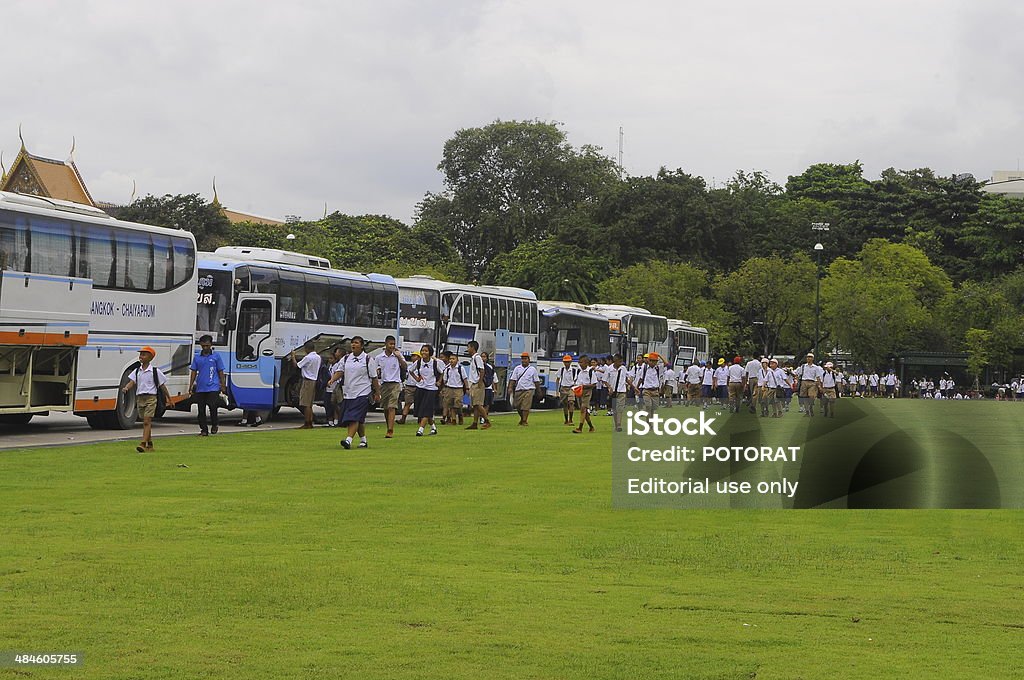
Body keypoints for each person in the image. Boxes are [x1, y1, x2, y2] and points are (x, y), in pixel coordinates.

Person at [333, 336, 380, 449]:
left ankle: (348, 440)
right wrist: (332, 379)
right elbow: (340, 371)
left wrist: (377, 393)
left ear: (362, 346)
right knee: (358, 418)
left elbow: (374, 378)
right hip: (349, 393)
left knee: (353, 417)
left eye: (356, 343)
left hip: (363, 392)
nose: (353, 345)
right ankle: (363, 440)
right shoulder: (346, 358)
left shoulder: (368, 359)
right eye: (352, 343)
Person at [122, 346, 172, 453]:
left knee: (146, 421)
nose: (141, 357)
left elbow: (162, 386)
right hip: (140, 398)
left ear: (150, 358)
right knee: (145, 421)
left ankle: (143, 443)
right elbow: (132, 382)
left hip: (151, 398)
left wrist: (169, 398)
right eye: (141, 354)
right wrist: (126, 387)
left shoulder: (155, 371)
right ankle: (150, 444)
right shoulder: (137, 371)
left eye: (144, 354)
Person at [188, 334, 226, 436]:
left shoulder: (216, 356)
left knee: (213, 406)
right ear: (200, 345)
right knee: (201, 409)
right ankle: (204, 429)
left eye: (207, 346)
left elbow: (220, 371)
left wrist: (223, 385)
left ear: (211, 345)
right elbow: (193, 372)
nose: (205, 348)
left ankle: (214, 424)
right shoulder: (197, 357)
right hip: (201, 386)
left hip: (213, 385)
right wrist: (191, 385)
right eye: (203, 346)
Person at [376, 335, 407, 438]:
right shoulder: (379, 357)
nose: (392, 346)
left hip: (395, 383)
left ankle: (390, 430)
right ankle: (388, 425)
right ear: (386, 344)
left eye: (393, 344)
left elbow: (405, 366)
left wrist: (398, 357)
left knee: (391, 407)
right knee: (385, 408)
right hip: (384, 384)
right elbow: (376, 371)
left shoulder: (397, 355)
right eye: (390, 344)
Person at [411, 344, 444, 436]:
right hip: (421, 388)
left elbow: (442, 372)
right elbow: (410, 370)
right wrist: (417, 378)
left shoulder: (434, 363)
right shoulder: (418, 362)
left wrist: (439, 382)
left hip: (431, 389)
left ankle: (420, 429)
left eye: (426, 351)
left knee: (426, 409)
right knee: (422, 410)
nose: (423, 352)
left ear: (430, 353)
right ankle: (433, 427)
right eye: (422, 350)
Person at [290, 340, 321, 429]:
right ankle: (310, 422)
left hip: (307, 381)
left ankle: (307, 423)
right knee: (310, 404)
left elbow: (297, 366)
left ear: (307, 348)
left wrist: (293, 356)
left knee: (305, 404)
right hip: (314, 380)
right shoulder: (318, 357)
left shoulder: (308, 358)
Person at [507, 352, 542, 426]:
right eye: (522, 359)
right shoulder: (517, 368)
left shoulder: (532, 369)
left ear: (529, 360)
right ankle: (522, 418)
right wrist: (510, 387)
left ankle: (524, 421)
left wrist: (539, 391)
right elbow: (513, 379)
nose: (524, 360)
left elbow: (536, 381)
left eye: (525, 359)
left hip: (529, 389)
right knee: (517, 406)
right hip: (519, 389)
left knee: (525, 406)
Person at [465, 340, 490, 430]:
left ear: (472, 348)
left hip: (477, 384)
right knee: (475, 405)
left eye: (468, 347)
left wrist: (479, 382)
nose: (467, 349)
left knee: (478, 404)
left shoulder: (477, 358)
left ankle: (487, 420)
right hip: (473, 383)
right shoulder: (473, 358)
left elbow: (481, 370)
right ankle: (474, 423)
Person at [572, 355, 597, 434]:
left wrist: (584, 386)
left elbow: (594, 384)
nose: (580, 364)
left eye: (581, 362)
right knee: (584, 411)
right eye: (579, 362)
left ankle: (580, 428)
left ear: (586, 363)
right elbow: (576, 381)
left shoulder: (590, 372)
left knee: (583, 408)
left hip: (587, 392)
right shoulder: (579, 371)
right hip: (579, 392)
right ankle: (591, 426)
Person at [441, 353, 468, 426]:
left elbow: (465, 379)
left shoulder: (460, 368)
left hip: (458, 388)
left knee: (457, 404)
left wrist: (467, 388)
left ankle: (460, 415)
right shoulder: (447, 369)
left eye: (453, 359)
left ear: (457, 360)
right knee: (450, 404)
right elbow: (445, 380)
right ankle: (453, 420)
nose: (451, 360)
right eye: (450, 359)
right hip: (449, 388)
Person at [794, 352, 824, 417]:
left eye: (810, 357)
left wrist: (819, 386)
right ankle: (807, 411)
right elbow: (797, 374)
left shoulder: (816, 367)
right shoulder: (803, 366)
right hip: (804, 382)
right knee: (804, 397)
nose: (808, 358)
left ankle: (810, 407)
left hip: (812, 382)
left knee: (811, 396)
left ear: (813, 358)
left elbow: (818, 377)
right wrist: (796, 381)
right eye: (808, 357)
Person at [324, 345, 345, 427]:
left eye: (337, 352)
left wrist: (332, 380)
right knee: (333, 404)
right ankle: (334, 420)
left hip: (337, 386)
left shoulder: (340, 363)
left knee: (338, 403)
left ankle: (339, 420)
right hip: (332, 387)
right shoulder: (331, 366)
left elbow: (338, 373)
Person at [555, 354, 579, 425]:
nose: (566, 363)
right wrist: (557, 391)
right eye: (565, 362)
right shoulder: (561, 370)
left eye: (568, 362)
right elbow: (557, 379)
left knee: (571, 403)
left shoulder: (574, 370)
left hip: (571, 388)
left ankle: (571, 419)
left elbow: (576, 380)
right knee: (565, 404)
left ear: (570, 362)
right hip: (563, 388)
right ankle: (566, 420)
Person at [606, 354, 628, 432]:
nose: (621, 363)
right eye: (619, 362)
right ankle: (616, 424)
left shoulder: (623, 368)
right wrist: (609, 387)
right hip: (613, 392)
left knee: (620, 408)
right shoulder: (609, 369)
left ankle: (619, 424)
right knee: (615, 409)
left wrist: (634, 387)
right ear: (615, 361)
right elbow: (605, 380)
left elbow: (626, 378)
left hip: (622, 390)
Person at [398, 351, 420, 425]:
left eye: (415, 356)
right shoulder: (410, 366)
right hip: (409, 386)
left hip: (418, 387)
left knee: (419, 404)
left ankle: (420, 419)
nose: (413, 357)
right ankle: (403, 418)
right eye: (412, 356)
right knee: (407, 403)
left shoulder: (421, 366)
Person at [480, 351, 497, 424]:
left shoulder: (490, 367)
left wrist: (494, 388)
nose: (483, 358)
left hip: (488, 388)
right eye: (481, 356)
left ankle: (484, 417)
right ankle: (481, 417)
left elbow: (492, 378)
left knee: (486, 404)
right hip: (480, 388)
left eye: (484, 357)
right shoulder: (478, 366)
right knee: (480, 404)